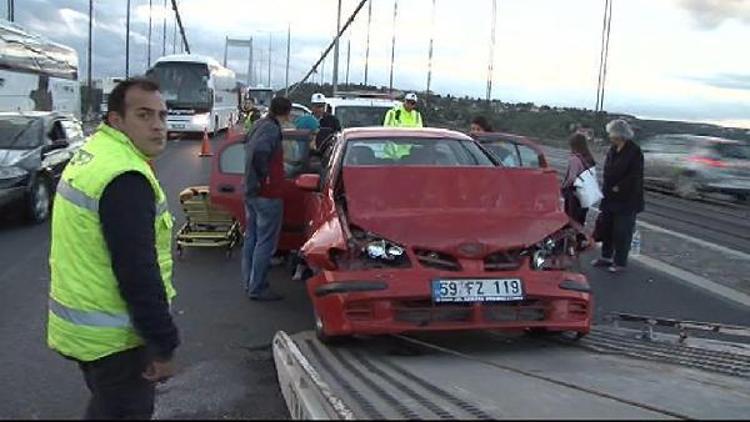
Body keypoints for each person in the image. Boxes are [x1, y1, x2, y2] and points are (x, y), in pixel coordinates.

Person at [47, 78, 179, 419]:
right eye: (144, 115)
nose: (158, 126)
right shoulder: (125, 177)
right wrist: (162, 344)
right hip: (116, 340)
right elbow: (138, 271)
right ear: (116, 120)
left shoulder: (95, 154)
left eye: (162, 116)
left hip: (83, 329)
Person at [243, 96, 293, 301]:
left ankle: (249, 283)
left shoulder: (258, 125)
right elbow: (260, 152)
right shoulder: (271, 129)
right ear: (287, 112)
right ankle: (258, 287)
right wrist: (266, 177)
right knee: (265, 242)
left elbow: (249, 147)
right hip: (267, 193)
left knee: (252, 238)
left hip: (252, 191)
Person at [591, 119, 644, 274]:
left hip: (627, 199)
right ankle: (606, 256)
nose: (610, 137)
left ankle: (620, 262)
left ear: (620, 134)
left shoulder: (634, 151)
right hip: (610, 196)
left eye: (612, 134)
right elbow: (608, 168)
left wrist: (619, 186)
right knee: (607, 227)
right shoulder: (613, 149)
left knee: (622, 231)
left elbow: (635, 175)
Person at [561, 133, 596, 226]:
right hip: (586, 194)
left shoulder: (575, 159)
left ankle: (569, 240)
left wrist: (563, 186)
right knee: (580, 220)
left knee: (571, 219)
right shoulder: (589, 158)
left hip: (575, 194)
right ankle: (579, 239)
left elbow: (571, 178)